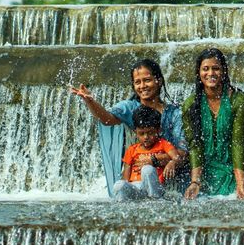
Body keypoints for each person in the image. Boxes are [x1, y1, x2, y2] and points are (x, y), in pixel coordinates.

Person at [71, 58, 189, 196]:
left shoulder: (174, 113)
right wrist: (90, 101)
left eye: (147, 80)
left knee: (149, 172)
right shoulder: (129, 108)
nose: (142, 86)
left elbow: (183, 153)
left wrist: (154, 160)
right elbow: (107, 119)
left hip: (171, 182)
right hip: (137, 179)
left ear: (159, 81)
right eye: (137, 82)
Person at [181, 48, 244, 199]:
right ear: (199, 73)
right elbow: (194, 145)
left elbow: (238, 143)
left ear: (224, 71)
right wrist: (195, 182)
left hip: (235, 169)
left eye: (216, 68)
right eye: (205, 69)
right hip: (205, 171)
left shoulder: (239, 101)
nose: (211, 74)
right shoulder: (190, 105)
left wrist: (240, 185)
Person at [112, 106, 181, 200]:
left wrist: (172, 162)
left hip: (155, 187)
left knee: (147, 169)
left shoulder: (163, 144)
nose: (146, 137)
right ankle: (123, 206)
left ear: (158, 130)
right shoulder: (132, 150)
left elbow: (177, 157)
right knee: (118, 185)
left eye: (150, 133)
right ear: (135, 132)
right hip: (135, 188)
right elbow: (125, 177)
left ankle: (155, 200)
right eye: (141, 133)